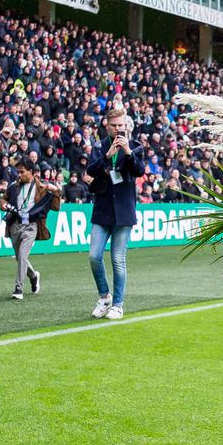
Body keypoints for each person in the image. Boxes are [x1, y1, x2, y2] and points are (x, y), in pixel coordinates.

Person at [85, 107, 145, 320]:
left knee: (118, 259)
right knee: (94, 256)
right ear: (107, 125)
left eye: (121, 125)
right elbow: (90, 171)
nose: (118, 129)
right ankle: (104, 296)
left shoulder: (136, 146)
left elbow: (139, 171)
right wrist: (107, 155)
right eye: (114, 125)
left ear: (126, 125)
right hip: (102, 209)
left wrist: (127, 152)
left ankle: (118, 304)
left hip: (124, 211)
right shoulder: (99, 146)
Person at [0, 157, 61, 300]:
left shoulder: (42, 187)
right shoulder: (13, 186)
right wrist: (2, 204)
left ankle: (18, 289)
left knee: (22, 255)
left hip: (31, 225)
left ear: (31, 172)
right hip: (15, 224)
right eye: (18, 172)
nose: (19, 175)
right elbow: (3, 198)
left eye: (22, 172)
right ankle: (33, 276)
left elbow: (56, 207)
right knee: (19, 258)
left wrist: (57, 191)